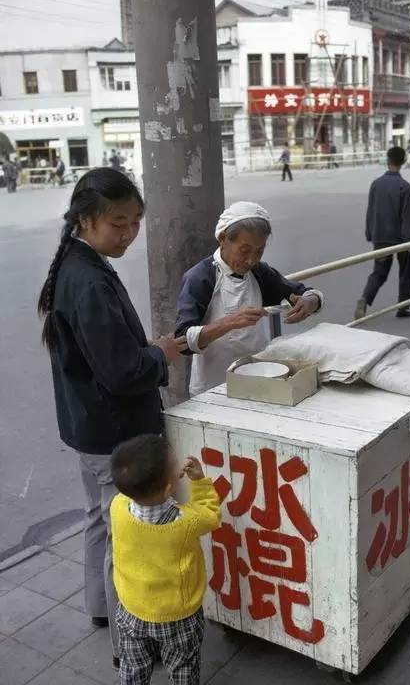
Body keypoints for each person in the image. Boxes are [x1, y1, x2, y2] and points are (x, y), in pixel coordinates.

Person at [37, 167, 187, 668]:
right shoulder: (88, 280)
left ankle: (100, 608)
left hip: (86, 427)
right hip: (112, 432)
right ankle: (132, 638)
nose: (128, 234)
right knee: (122, 537)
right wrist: (161, 354)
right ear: (86, 220)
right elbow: (122, 372)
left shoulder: (76, 265)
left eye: (135, 222)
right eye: (117, 224)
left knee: (99, 522)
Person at [175, 201, 324, 397]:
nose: (251, 260)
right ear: (222, 239)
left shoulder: (259, 272)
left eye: (259, 251)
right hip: (214, 387)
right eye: (244, 251)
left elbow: (304, 292)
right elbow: (182, 340)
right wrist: (230, 322)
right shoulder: (201, 278)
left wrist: (310, 301)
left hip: (259, 377)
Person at [110, 433, 220, 685]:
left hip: (132, 610)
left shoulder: (117, 506)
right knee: (183, 668)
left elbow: (131, 492)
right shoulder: (187, 521)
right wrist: (200, 482)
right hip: (179, 617)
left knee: (133, 667)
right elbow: (212, 515)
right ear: (171, 486)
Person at [354, 146, 410, 320]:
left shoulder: (376, 184)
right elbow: (407, 217)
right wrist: (409, 242)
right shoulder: (405, 187)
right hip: (400, 238)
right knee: (406, 272)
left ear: (388, 161)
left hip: (380, 236)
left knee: (379, 272)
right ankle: (403, 307)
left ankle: (365, 299)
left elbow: (370, 211)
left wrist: (370, 233)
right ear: (403, 162)